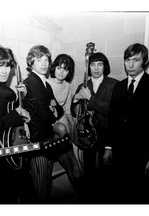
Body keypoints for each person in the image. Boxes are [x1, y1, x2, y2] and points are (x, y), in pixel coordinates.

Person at [104, 43, 149, 203]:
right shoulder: (119, 87)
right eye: (128, 59)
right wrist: (108, 147)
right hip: (120, 155)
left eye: (136, 60)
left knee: (142, 198)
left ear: (145, 62)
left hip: (145, 156)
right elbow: (112, 119)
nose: (131, 64)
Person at [0, 45, 33, 203]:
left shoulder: (4, 89)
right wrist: (17, 113)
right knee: (11, 198)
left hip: (12, 149)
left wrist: (23, 98)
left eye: (8, 66)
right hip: (1, 154)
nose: (4, 71)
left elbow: (8, 115)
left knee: (25, 195)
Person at [23, 45, 73, 203]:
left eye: (46, 59)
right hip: (38, 141)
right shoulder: (32, 82)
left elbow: (57, 110)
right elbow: (46, 114)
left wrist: (51, 108)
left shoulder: (45, 83)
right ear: (31, 62)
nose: (44, 63)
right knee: (40, 187)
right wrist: (51, 109)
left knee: (46, 183)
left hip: (47, 138)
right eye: (39, 60)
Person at [71, 52, 118, 202]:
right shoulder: (82, 85)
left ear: (105, 66)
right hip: (87, 134)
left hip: (107, 134)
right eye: (92, 64)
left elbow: (114, 110)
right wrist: (75, 100)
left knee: (107, 170)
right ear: (88, 67)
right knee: (88, 168)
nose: (96, 68)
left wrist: (90, 98)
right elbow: (75, 113)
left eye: (100, 64)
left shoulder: (115, 84)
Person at [47, 54, 82, 193]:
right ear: (54, 68)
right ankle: (74, 163)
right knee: (61, 129)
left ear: (69, 72)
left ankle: (75, 180)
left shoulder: (67, 85)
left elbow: (67, 110)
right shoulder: (46, 83)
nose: (61, 72)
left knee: (65, 131)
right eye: (59, 68)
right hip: (48, 122)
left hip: (60, 120)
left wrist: (74, 126)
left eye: (65, 69)